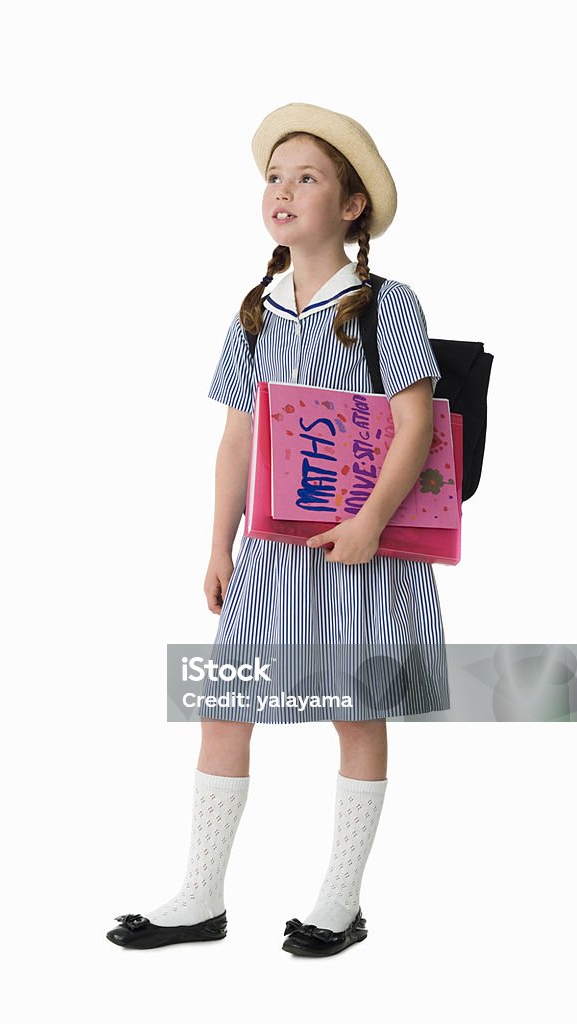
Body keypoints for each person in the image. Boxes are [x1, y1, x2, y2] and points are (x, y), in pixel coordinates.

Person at [107, 102, 450, 957]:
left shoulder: (384, 304)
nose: (284, 190)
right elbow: (236, 439)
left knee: (355, 710)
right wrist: (218, 545)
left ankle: (340, 901)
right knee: (226, 708)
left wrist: (371, 521)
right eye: (275, 176)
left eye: (308, 177)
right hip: (271, 550)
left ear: (351, 206)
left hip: (360, 548)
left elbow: (415, 427)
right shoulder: (255, 310)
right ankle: (199, 897)